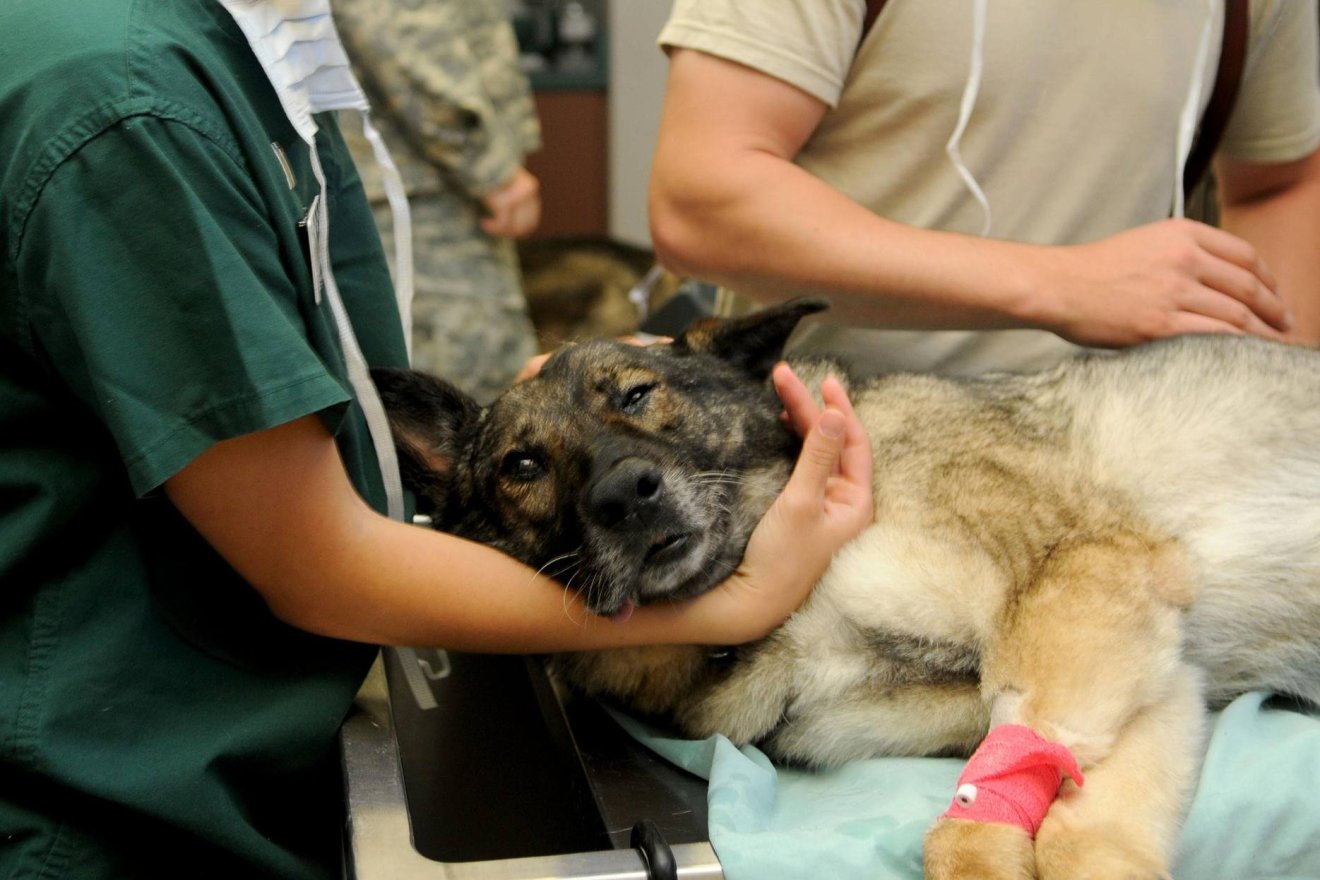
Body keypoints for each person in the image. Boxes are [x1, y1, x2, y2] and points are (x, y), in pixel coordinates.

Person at [0, 1, 873, 878]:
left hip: (230, 751)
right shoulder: (129, 110)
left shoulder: (249, 48)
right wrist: (744, 599)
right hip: (115, 809)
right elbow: (316, 563)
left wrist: (581, 407)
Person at [649, 0, 1320, 377]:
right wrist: (1063, 285)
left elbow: (1279, 182)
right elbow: (700, 201)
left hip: (1129, 457)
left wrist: (1269, 413)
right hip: (836, 460)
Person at [333, 0, 544, 404]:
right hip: (419, 191)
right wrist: (490, 167)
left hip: (417, 183)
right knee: (464, 405)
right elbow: (396, 26)